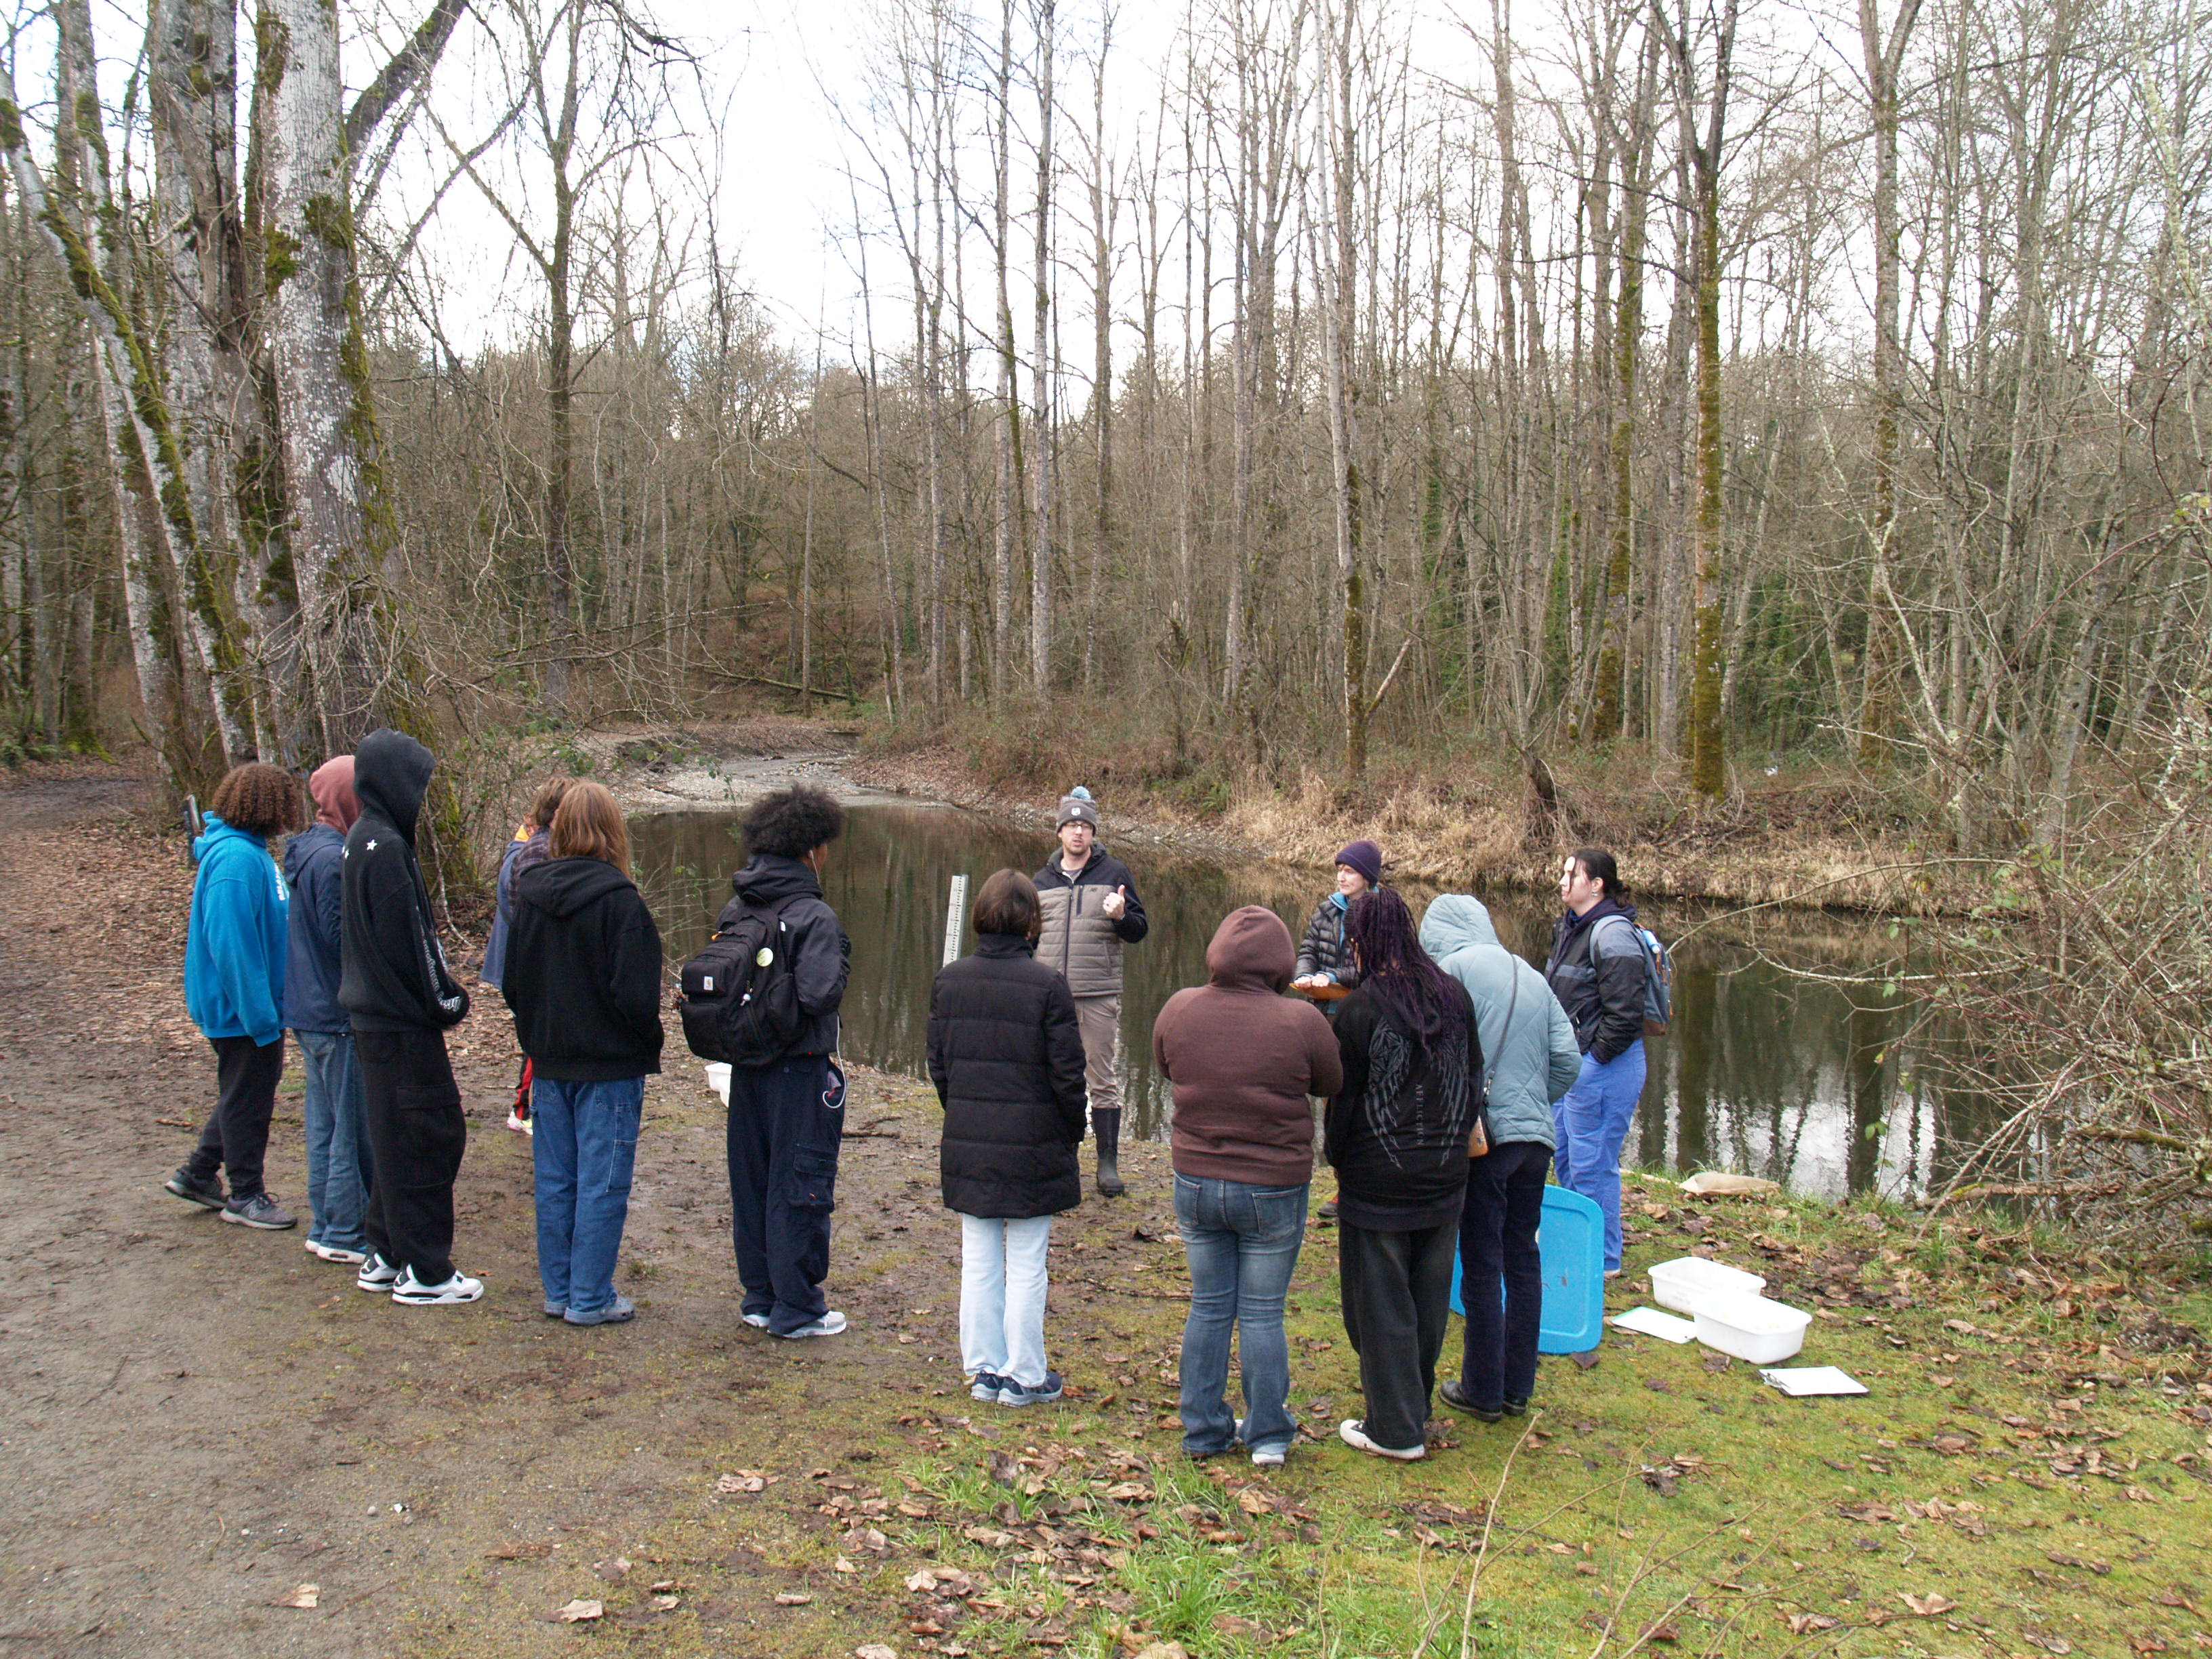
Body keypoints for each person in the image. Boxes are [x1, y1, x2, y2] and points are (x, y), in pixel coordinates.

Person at [1153, 906, 1343, 1467]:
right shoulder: (1302, 1021)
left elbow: (1166, 1067)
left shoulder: (1178, 1008)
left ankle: (1204, 1431)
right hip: (1272, 1188)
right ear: (1282, 962)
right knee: (1263, 1311)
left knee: (1209, 1306)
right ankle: (1267, 1436)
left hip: (1195, 1181)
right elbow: (1331, 1082)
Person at [1326, 886, 1482, 1462]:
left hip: (1379, 1183)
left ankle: (1395, 1430)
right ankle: (1412, 1405)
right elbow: (1472, 1083)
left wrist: (1339, 1161)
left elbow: (1344, 1105)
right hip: (1444, 1177)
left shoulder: (1360, 1010)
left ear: (1363, 941)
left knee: (1380, 1302)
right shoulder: (1455, 996)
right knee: (1427, 1298)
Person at [502, 781, 664, 1327]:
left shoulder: (531, 897)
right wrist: (646, 1043)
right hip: (607, 1066)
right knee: (602, 1180)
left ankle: (562, 1289)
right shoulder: (622, 903)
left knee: (557, 1177)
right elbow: (637, 998)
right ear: (614, 832)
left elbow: (513, 984)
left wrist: (538, 1034)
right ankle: (589, 1296)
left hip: (549, 1061)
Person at [929, 869, 1088, 1407]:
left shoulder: (949, 980)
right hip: (1033, 1143)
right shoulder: (1048, 986)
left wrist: (965, 1116)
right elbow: (1069, 1078)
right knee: (1025, 1261)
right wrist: (1072, 1134)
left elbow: (940, 1066)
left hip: (971, 1139)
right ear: (1031, 924)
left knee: (978, 1257)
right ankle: (1024, 1374)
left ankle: (984, 1370)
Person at [1420, 895, 1580, 1421]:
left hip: (1485, 1140)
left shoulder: (1451, 969)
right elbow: (1568, 1061)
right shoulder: (1531, 974)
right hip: (1537, 1143)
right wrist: (1533, 1103)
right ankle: (1518, 1388)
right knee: (1523, 1258)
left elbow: (1429, 1049)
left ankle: (1482, 1391)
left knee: (1483, 1260)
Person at [341, 728, 482, 1307]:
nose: (423, 797)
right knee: (429, 1136)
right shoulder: (388, 851)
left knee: (395, 1138)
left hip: (374, 1022)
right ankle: (426, 1270)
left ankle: (386, 1251)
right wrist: (448, 999)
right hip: (401, 1026)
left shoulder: (360, 839)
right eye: (418, 783)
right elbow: (415, 945)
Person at [720, 784, 852, 1339]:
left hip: (746, 1066)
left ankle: (760, 1295)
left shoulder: (738, 906)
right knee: (799, 1183)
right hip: (798, 1069)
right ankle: (798, 1308)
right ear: (810, 849)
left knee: (751, 1180)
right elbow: (821, 995)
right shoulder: (813, 915)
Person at [166, 763, 303, 1230]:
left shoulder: (251, 854)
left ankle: (198, 1172)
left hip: (254, 1006)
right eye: (286, 803)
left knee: (242, 1092)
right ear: (268, 806)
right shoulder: (236, 861)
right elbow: (232, 946)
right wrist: (260, 1016)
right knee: (249, 1099)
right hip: (242, 1010)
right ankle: (246, 1193)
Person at [1033, 787, 1148, 1197]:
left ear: (1093, 832)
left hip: (1098, 993)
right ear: (1059, 832)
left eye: (1084, 826)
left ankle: (1107, 1163)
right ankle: (1059, 1155)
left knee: (1101, 1078)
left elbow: (1139, 931)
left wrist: (1121, 917)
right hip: (1049, 996)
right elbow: (1029, 939)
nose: (1078, 832)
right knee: (1051, 1079)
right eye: (1071, 825)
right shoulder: (1041, 880)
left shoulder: (1114, 873)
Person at [1543, 847, 1650, 1277]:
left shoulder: (1613, 934)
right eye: (1563, 872)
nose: (1563, 881)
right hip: (1574, 1065)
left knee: (1593, 1163)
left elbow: (1625, 1016)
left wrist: (1591, 1060)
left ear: (1597, 884)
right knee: (1566, 1157)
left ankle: (1603, 1260)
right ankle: (1578, 1242)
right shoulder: (1569, 928)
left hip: (1605, 1067)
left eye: (1572, 874)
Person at [285, 755, 374, 1263]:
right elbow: (343, 939)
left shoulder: (310, 850)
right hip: (335, 1016)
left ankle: (326, 1224)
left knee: (324, 1124)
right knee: (349, 1128)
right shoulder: (331, 859)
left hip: (309, 1008)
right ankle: (345, 1232)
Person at [1291, 838, 1384, 1223]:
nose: (1342, 877)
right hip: (1322, 1013)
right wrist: (1303, 975)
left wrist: (1331, 976)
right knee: (1319, 1093)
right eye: (1340, 870)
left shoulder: (1381, 912)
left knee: (1352, 1100)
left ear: (1367, 877)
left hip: (1362, 1018)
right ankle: (1311, 1174)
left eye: (1350, 871)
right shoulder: (1328, 908)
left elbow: (1373, 967)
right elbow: (1308, 947)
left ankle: (1352, 1185)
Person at [480, 778, 571, 1136]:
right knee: (536, 1043)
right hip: (525, 968)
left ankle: (528, 1107)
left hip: (524, 966)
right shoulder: (529, 853)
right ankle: (523, 1108)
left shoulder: (531, 847)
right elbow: (518, 909)